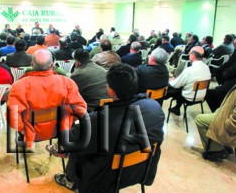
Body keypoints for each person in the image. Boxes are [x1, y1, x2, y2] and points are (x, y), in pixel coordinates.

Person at [54, 63, 165, 192]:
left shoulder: (98, 121)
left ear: (110, 90)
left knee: (77, 148)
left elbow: (69, 142)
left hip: (104, 178)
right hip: (140, 170)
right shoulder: (155, 108)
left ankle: (70, 180)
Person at [7, 49, 87, 148]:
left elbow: (12, 116)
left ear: (32, 64)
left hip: (32, 133)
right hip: (60, 132)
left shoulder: (19, 85)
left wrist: (23, 129)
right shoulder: (67, 83)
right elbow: (81, 109)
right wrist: (67, 122)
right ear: (52, 65)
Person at [195, 52, 236, 160]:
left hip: (233, 123)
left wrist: (229, 126)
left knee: (200, 119)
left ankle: (216, 150)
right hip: (231, 114)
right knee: (216, 110)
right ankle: (222, 145)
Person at [165, 46, 211, 116]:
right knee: (182, 86)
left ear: (193, 55)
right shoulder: (206, 67)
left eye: (190, 53)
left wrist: (171, 81)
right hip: (201, 96)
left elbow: (176, 85)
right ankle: (176, 108)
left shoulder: (189, 70)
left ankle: (158, 100)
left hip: (188, 97)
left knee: (170, 88)